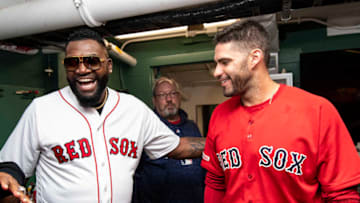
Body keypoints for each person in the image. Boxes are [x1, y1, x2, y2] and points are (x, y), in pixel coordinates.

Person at [0, 28, 205, 203]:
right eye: (73, 63)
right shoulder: (42, 110)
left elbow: (178, 147)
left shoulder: (133, 109)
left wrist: (226, 140)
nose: (82, 69)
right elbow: (10, 167)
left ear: (108, 65)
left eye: (91, 61)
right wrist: (7, 186)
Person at [201, 20, 360, 202]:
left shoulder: (317, 111)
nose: (216, 72)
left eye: (224, 62)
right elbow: (215, 183)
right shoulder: (219, 115)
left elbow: (343, 195)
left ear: (254, 58)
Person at [132, 77, 205, 203]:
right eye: (162, 95)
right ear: (154, 101)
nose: (169, 99)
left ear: (179, 97)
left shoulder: (192, 127)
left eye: (173, 93)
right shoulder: (146, 129)